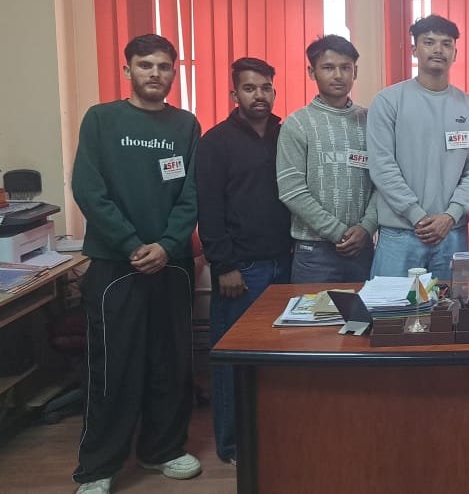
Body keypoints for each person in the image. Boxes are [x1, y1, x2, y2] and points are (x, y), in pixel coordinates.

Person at [71, 34, 202, 493]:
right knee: (113, 369)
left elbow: (192, 194)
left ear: (174, 73)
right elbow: (89, 190)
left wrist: (167, 244)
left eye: (164, 66)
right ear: (127, 70)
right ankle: (98, 467)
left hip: (172, 264)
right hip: (116, 265)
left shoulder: (185, 125)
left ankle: (163, 449)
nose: (155, 73)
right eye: (145, 65)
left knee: (171, 362)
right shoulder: (101, 119)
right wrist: (131, 244)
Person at [195, 57, 291, 466]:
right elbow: (209, 208)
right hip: (242, 270)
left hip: (287, 263)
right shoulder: (216, 142)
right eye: (250, 88)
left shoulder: (286, 135)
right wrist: (224, 265)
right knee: (233, 359)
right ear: (234, 94)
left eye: (266, 87)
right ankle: (232, 444)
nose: (259, 95)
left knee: (279, 360)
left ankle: (273, 436)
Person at [368, 15, 469, 281]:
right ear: (414, 49)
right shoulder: (388, 101)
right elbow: (382, 166)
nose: (438, 50)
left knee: (449, 306)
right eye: (429, 42)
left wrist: (451, 215)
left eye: (446, 44)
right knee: (392, 306)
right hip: (400, 234)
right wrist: (417, 215)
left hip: (451, 232)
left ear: (455, 53)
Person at [277, 35, 377, 283]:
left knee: (364, 310)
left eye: (346, 67)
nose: (338, 75)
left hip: (362, 247)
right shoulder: (297, 124)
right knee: (313, 311)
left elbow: (382, 182)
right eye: (328, 68)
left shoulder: (371, 121)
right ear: (312, 72)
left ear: (355, 72)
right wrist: (339, 232)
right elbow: (291, 191)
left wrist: (366, 228)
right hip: (314, 253)